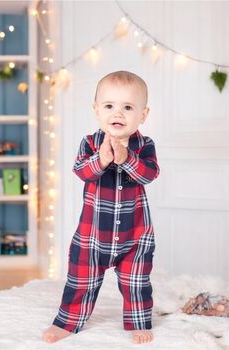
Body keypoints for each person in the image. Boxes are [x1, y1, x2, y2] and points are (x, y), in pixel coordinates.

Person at [42, 71, 160, 344]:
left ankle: (138, 322)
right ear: (96, 110)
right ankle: (68, 323)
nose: (117, 113)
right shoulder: (90, 143)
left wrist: (127, 158)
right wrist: (103, 159)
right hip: (92, 236)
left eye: (128, 107)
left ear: (143, 114)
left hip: (135, 236)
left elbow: (149, 174)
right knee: (80, 281)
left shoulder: (145, 146)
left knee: (137, 283)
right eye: (109, 106)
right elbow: (82, 171)